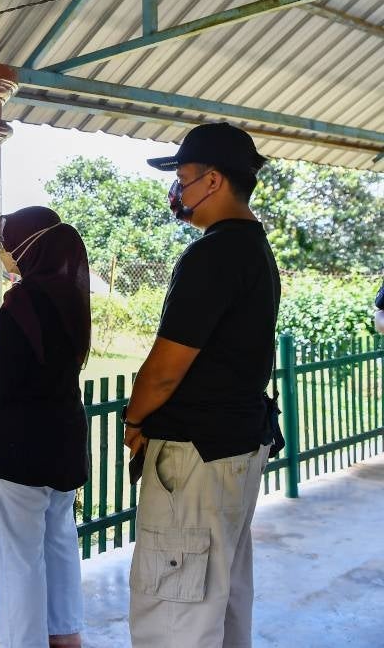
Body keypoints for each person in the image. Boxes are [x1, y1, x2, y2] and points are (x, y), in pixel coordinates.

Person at [123, 123, 279, 648]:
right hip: (235, 445)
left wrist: (136, 420)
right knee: (221, 595)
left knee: (175, 611)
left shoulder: (213, 254)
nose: (178, 191)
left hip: (196, 455)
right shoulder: (255, 248)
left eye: (184, 178)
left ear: (212, 182)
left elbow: (167, 367)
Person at [0, 207, 91, 648]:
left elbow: (1, 375)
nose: (4, 252)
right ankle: (65, 635)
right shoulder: (71, 294)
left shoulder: (24, 302)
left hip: (20, 446)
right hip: (64, 439)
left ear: (30, 246)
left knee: (16, 559)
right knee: (59, 542)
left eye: (9, 242)